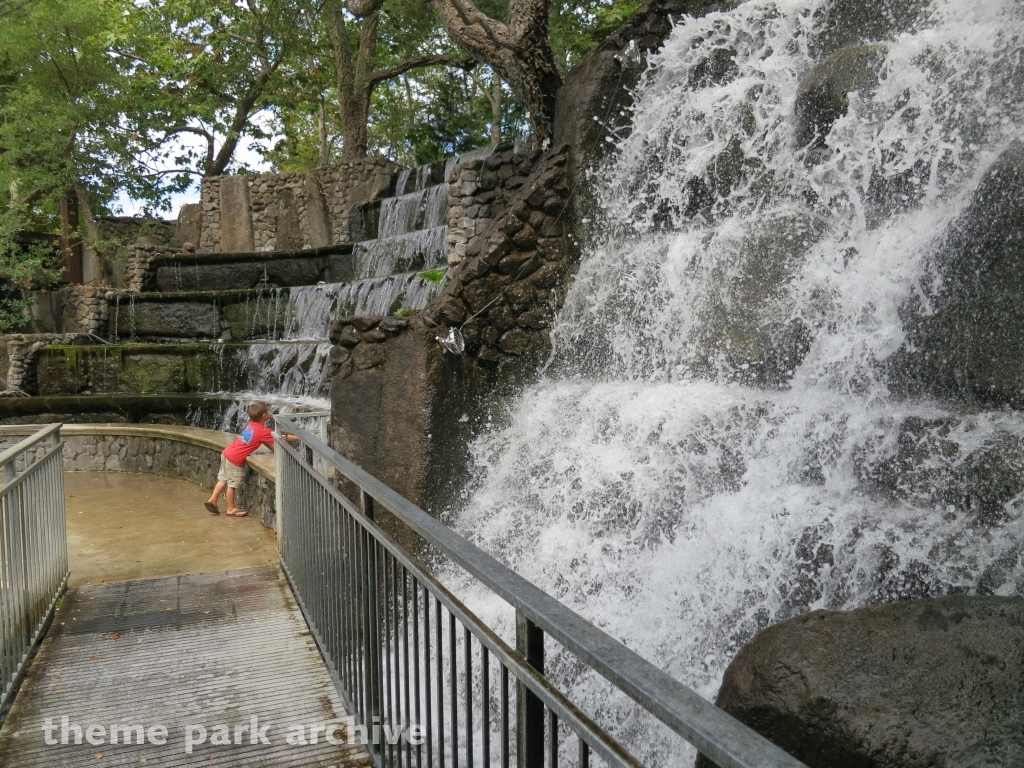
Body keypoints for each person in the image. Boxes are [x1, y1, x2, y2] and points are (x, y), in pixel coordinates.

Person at [205, 401, 279, 517]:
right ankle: (231, 508)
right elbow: (279, 436)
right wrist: (298, 436)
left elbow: (262, 439)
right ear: (264, 415)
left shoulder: (252, 425)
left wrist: (273, 449)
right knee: (232, 484)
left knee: (223, 479)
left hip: (227, 453)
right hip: (235, 459)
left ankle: (212, 499)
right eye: (268, 411)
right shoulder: (262, 431)